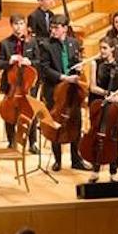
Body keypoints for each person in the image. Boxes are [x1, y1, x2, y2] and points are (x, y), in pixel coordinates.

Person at [39, 17, 89, 173]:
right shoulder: (46, 45)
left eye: (56, 27)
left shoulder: (73, 43)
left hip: (72, 91)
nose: (52, 30)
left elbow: (75, 64)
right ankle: (57, 160)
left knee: (76, 123)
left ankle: (76, 159)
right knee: (55, 124)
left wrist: (79, 70)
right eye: (52, 27)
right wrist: (64, 78)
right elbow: (45, 69)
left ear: (65, 28)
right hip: (54, 91)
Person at [86, 37, 118, 182]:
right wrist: (107, 94)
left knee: (113, 137)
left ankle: (113, 171)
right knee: (96, 136)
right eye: (101, 48)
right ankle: (95, 169)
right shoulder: (94, 63)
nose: (102, 51)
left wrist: (116, 96)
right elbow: (92, 87)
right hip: (98, 102)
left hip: (114, 105)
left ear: (112, 49)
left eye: (104, 48)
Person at [0, 14, 40, 150]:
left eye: (21, 24)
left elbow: (39, 62)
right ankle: (11, 140)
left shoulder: (32, 42)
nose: (18, 27)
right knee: (9, 112)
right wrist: (9, 60)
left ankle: (32, 142)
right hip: (11, 86)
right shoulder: (4, 43)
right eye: (15, 24)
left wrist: (30, 61)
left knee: (30, 112)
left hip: (27, 85)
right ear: (11, 25)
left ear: (25, 25)